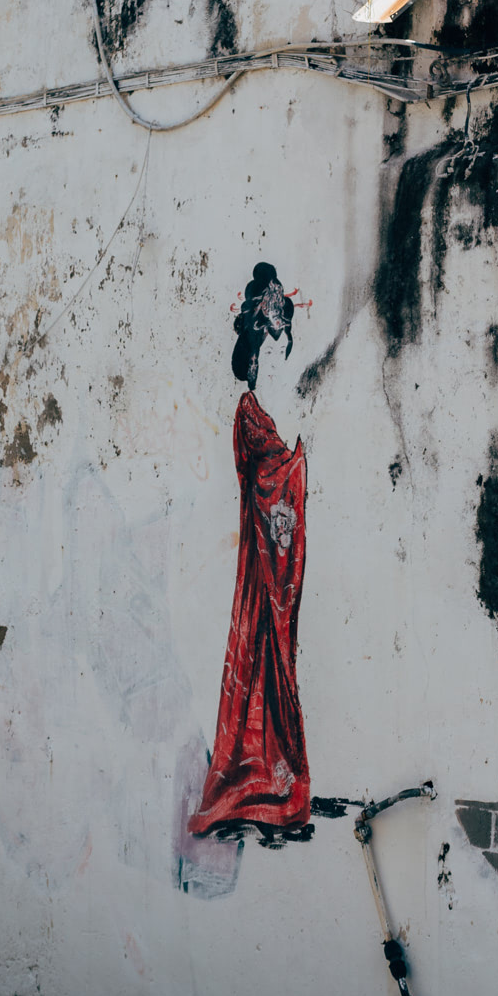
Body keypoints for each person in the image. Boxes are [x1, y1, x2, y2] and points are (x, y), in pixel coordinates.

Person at [188, 265, 312, 839]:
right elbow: (267, 483)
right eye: (270, 339)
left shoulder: (257, 412)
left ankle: (275, 776)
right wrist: (296, 465)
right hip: (260, 558)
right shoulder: (248, 413)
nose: (272, 350)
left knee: (270, 660)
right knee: (262, 659)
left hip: (263, 557)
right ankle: (255, 778)